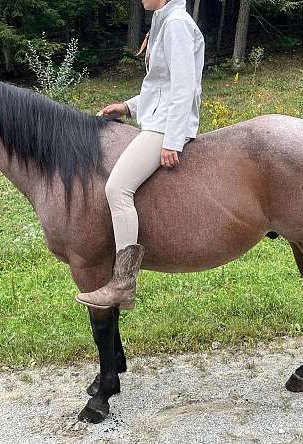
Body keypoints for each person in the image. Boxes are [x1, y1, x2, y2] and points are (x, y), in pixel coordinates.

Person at [75, 0, 205, 310]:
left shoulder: (175, 24)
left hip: (166, 126)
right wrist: (128, 107)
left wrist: (172, 140)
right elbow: (160, 84)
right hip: (159, 120)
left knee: (116, 189)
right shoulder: (164, 21)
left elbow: (184, 87)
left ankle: (123, 283)